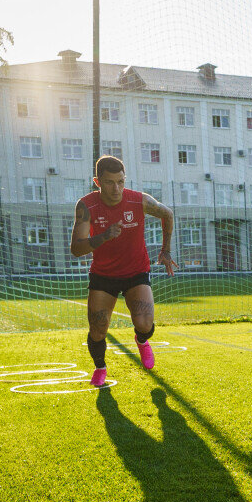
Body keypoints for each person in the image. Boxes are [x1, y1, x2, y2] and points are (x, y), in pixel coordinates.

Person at [70, 155, 178, 386]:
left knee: (144, 324)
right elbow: (76, 248)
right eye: (109, 182)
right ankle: (100, 368)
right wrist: (103, 236)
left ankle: (141, 341)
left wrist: (165, 251)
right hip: (103, 275)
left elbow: (167, 213)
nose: (117, 188)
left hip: (136, 272)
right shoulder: (86, 205)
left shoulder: (138, 201)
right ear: (97, 182)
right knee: (98, 330)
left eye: (121, 181)